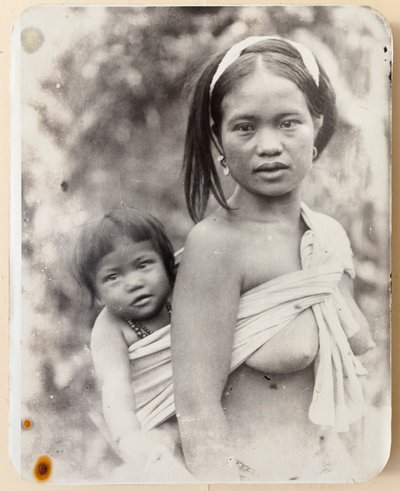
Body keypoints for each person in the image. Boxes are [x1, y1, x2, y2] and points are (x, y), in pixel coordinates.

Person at [171, 36, 375, 482]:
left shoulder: (328, 238)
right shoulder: (216, 245)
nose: (268, 145)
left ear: (316, 127)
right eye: (245, 127)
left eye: (288, 123)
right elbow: (197, 410)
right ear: (218, 138)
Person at [72, 208, 191, 481]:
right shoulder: (110, 329)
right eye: (112, 277)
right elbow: (114, 386)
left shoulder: (184, 292)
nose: (134, 283)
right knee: (157, 455)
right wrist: (128, 435)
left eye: (143, 264)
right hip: (159, 421)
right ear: (97, 294)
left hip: (203, 403)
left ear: (167, 264)